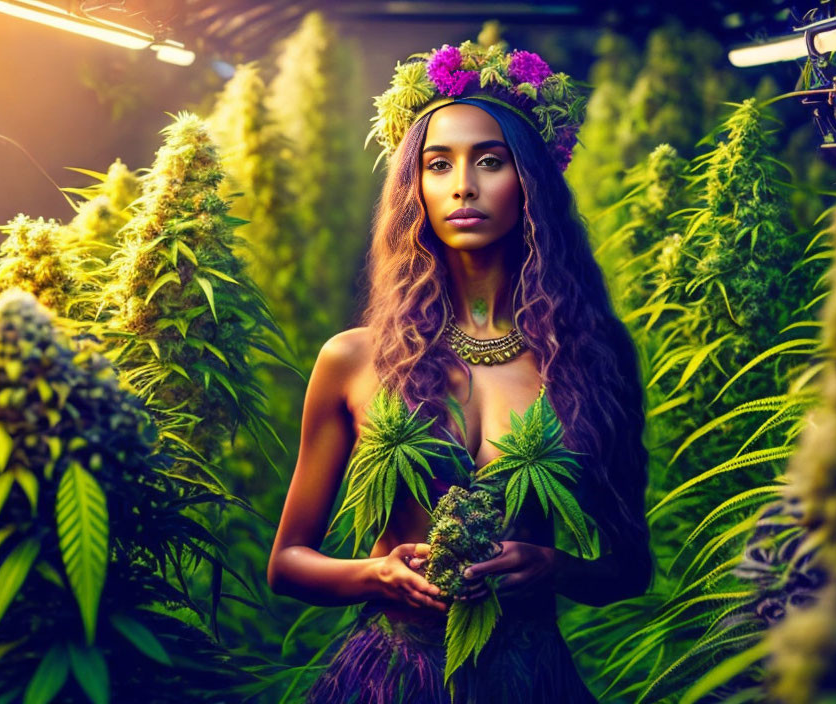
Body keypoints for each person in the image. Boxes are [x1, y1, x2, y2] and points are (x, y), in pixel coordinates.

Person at [267, 40, 654, 703]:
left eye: (490, 162)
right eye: (439, 164)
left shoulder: (593, 354)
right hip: (391, 674)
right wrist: (377, 575)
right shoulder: (352, 360)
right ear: (413, 186)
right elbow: (286, 565)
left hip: (529, 676)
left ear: (529, 182)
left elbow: (631, 566)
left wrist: (553, 566)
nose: (463, 186)